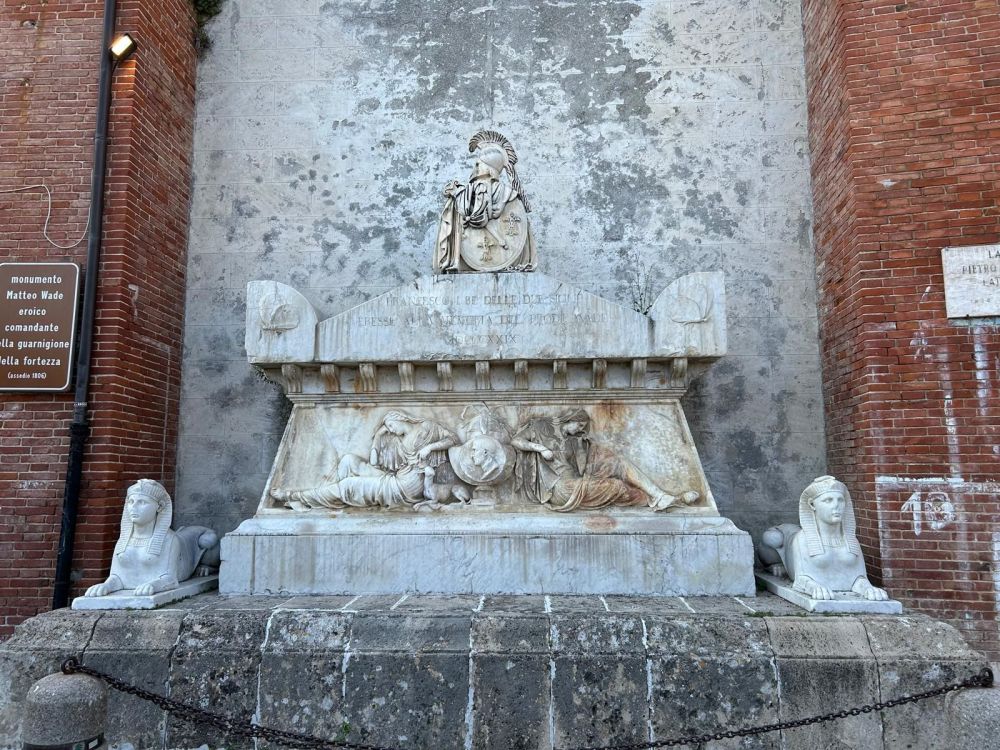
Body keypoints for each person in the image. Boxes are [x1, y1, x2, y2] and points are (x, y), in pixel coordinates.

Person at [512, 409, 696, 512]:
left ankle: (659, 495)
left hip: (576, 481)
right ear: (569, 419)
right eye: (579, 425)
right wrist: (540, 448)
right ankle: (660, 501)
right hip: (560, 489)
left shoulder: (574, 442)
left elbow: (585, 467)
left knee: (620, 463)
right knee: (616, 487)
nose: (579, 430)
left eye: (583, 428)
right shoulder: (540, 427)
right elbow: (516, 440)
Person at [273, 411, 458, 510]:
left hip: (406, 488)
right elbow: (375, 462)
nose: (392, 431)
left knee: (349, 485)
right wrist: (378, 436)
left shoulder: (427, 427)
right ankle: (334, 503)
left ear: (399, 418)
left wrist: (430, 447)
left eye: (392, 425)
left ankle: (297, 497)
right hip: (395, 480)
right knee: (348, 460)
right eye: (389, 429)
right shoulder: (398, 442)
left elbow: (453, 439)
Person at [758, 475, 889, 601]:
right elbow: (801, 580)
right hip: (781, 542)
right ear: (812, 505)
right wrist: (813, 587)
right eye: (828, 500)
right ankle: (774, 564)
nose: (836, 505)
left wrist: (867, 588)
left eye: (840, 500)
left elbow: (859, 577)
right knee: (772, 538)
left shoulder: (851, 540)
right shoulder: (802, 539)